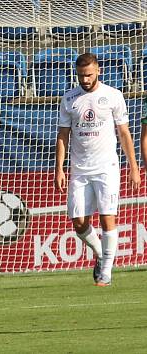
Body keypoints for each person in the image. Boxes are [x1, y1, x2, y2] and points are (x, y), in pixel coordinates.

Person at [55, 53, 140, 286]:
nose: (85, 79)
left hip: (106, 167)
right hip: (79, 169)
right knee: (79, 222)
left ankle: (106, 272)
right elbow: (63, 135)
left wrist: (133, 166)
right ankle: (101, 254)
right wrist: (59, 169)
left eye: (89, 75)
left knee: (107, 217)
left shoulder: (113, 95)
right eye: (81, 75)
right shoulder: (69, 98)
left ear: (98, 71)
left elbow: (124, 133)